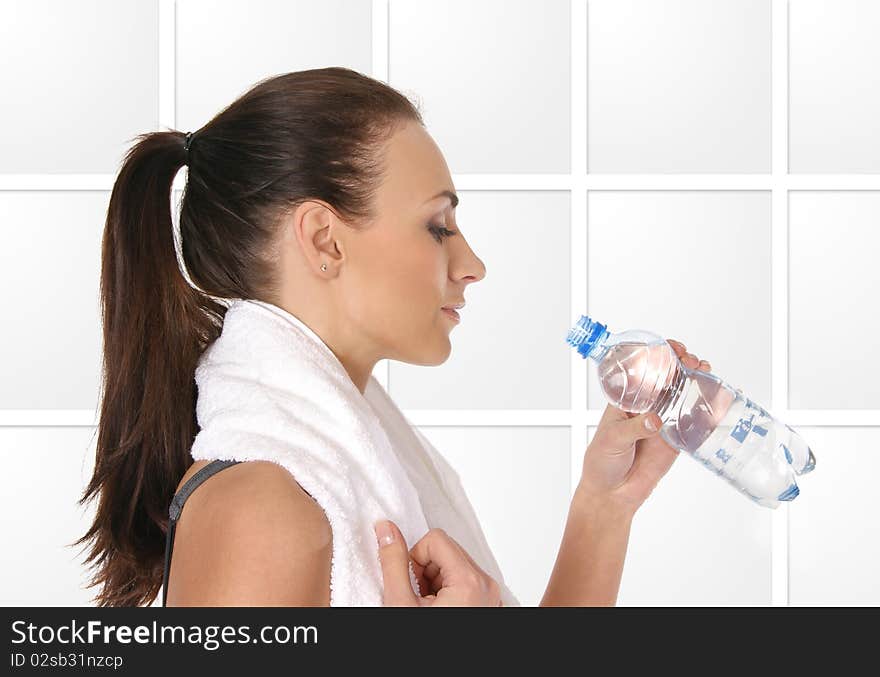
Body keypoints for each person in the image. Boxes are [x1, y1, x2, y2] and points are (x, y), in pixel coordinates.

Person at [75, 66, 712, 607]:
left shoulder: (347, 463)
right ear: (325, 240)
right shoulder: (259, 512)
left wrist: (606, 507)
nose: (473, 266)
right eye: (438, 226)